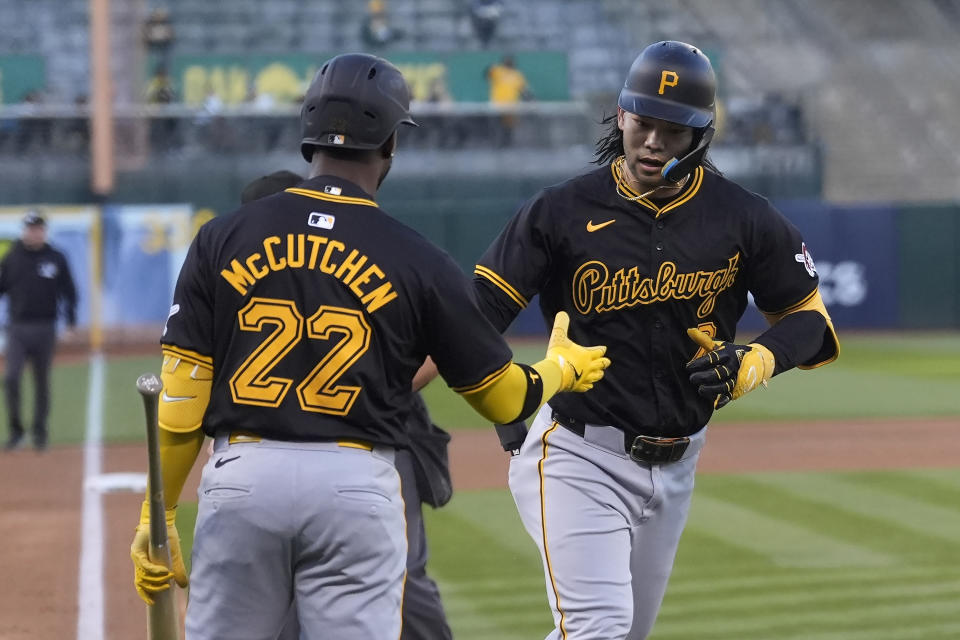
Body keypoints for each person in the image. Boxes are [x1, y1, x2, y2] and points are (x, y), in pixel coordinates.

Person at [128, 53, 610, 640]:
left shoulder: (222, 237)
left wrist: (161, 509)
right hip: (355, 485)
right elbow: (503, 400)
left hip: (242, 477)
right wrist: (558, 371)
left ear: (309, 137)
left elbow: (182, 398)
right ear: (390, 144)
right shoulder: (418, 257)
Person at [470, 41, 840, 639]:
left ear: (701, 134)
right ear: (621, 115)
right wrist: (508, 393)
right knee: (598, 628)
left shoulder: (740, 216)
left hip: (678, 461)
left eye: (672, 131)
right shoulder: (560, 212)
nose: (652, 143)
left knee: (620, 634)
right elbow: (475, 316)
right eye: (643, 124)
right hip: (578, 454)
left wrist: (758, 360)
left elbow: (810, 320)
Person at [240, 169, 456, 640]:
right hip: (290, 460)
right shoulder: (262, 276)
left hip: (383, 443)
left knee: (402, 585)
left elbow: (442, 345)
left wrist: (380, 393)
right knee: (286, 596)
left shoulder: (359, 263)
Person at [0, 211, 77, 451]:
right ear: (24, 231)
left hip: (46, 327)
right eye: (30, 228)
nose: (33, 232)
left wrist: (70, 321)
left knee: (41, 381)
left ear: (44, 230)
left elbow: (69, 291)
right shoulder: (11, 258)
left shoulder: (56, 258)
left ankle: (40, 433)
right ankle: (16, 431)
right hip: (17, 328)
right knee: (11, 377)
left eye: (38, 228)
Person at [484, 55, 531, 147]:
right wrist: (490, 67)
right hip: (497, 105)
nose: (509, 63)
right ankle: (495, 144)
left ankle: (507, 145)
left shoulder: (517, 74)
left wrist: (530, 99)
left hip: (511, 106)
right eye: (507, 61)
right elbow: (486, 75)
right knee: (496, 126)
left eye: (510, 61)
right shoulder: (498, 71)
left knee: (509, 127)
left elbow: (523, 89)